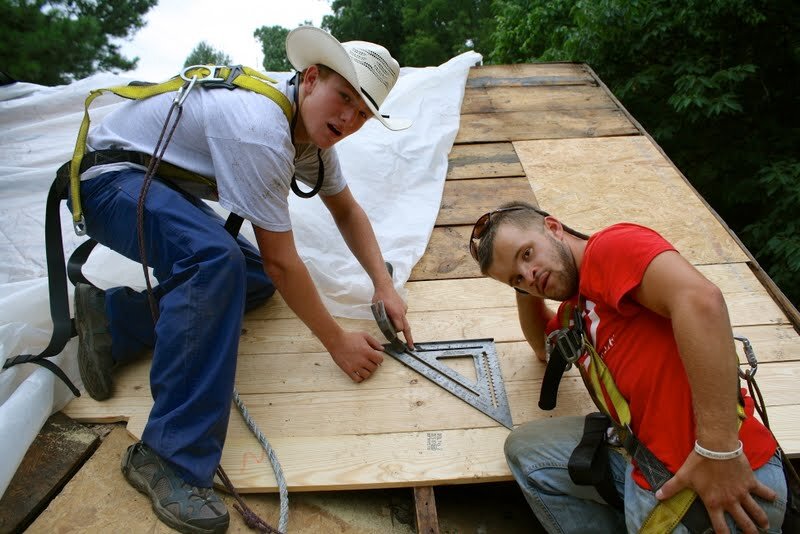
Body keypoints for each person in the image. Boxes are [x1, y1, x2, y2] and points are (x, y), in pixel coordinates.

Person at [71, 26, 414, 533]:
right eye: (344, 99)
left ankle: (113, 322)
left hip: (153, 183)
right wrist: (338, 341)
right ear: (312, 77)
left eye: (363, 114)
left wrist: (384, 288)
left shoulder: (310, 138)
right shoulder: (258, 126)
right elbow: (283, 258)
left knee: (250, 278)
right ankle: (168, 457)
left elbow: (346, 211)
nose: (348, 119)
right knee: (216, 264)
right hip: (110, 182)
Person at [469, 202, 787, 533]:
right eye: (516, 278)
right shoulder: (577, 312)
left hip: (723, 476)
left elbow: (700, 300)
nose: (529, 274)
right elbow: (542, 349)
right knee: (527, 452)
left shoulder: (608, 250)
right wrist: (525, 287)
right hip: (654, 466)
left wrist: (719, 449)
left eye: (527, 253)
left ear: (553, 228)